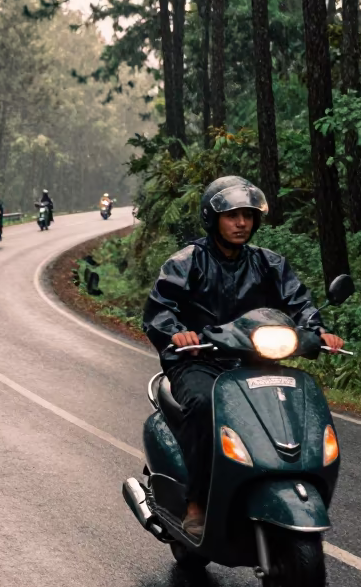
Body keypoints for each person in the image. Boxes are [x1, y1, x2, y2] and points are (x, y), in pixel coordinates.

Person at [143, 175, 344, 540]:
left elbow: (299, 302)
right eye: (232, 215)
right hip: (197, 362)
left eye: (248, 216)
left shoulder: (269, 264)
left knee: (290, 401)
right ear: (212, 218)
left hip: (253, 362)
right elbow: (160, 309)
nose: (241, 223)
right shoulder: (186, 262)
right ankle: (197, 503)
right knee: (205, 404)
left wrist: (318, 330)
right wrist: (177, 332)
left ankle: (276, 478)